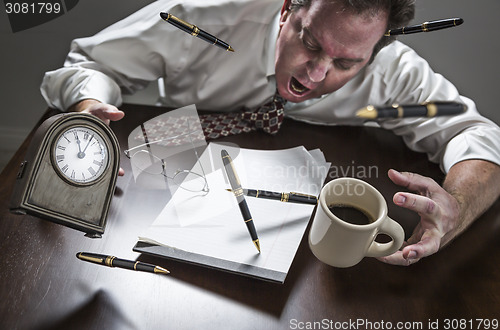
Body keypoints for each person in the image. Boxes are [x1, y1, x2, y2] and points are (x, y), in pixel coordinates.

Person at [40, 0, 500, 266]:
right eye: (310, 43)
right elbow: (90, 65)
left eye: (345, 63)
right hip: (159, 174)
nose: (317, 73)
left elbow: (478, 134)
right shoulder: (202, 16)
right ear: (288, 9)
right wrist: (89, 107)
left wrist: (456, 204)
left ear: (374, 52)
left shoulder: (392, 71)